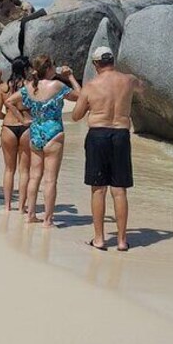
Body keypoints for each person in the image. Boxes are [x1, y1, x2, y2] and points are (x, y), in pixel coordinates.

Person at [72, 46, 144, 252]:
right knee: (119, 191)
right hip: (121, 135)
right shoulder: (128, 80)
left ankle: (100, 239)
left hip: (97, 136)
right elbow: (143, 88)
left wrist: (88, 106)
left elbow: (76, 116)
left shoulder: (91, 85)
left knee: (98, 189)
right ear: (113, 61)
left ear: (95, 65)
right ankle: (122, 241)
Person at [5, 55, 80, 226]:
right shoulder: (57, 85)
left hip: (36, 131)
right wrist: (70, 77)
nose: (56, 69)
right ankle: (47, 219)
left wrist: (23, 119)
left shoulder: (30, 87)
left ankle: (30, 214)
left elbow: (9, 101)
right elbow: (82, 96)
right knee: (50, 179)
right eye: (54, 66)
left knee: (34, 176)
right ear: (48, 68)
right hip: (53, 131)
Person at [0, 56, 32, 212]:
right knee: (24, 170)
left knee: (9, 169)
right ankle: (22, 207)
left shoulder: (3, 88)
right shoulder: (30, 86)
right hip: (27, 126)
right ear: (25, 69)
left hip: (8, 127)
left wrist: (8, 117)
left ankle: (8, 206)